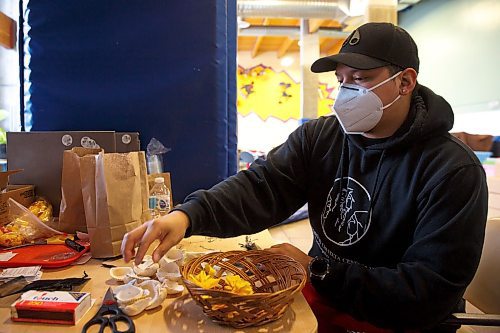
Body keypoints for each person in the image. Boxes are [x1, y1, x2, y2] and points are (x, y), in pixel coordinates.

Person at [122, 22, 488, 332]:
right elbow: (261, 186)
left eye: (361, 79)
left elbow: (427, 292)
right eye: (342, 81)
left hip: (397, 321)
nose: (347, 94)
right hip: (324, 297)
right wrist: (188, 216)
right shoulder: (321, 138)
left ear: (405, 82)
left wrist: (316, 269)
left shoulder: (451, 170)